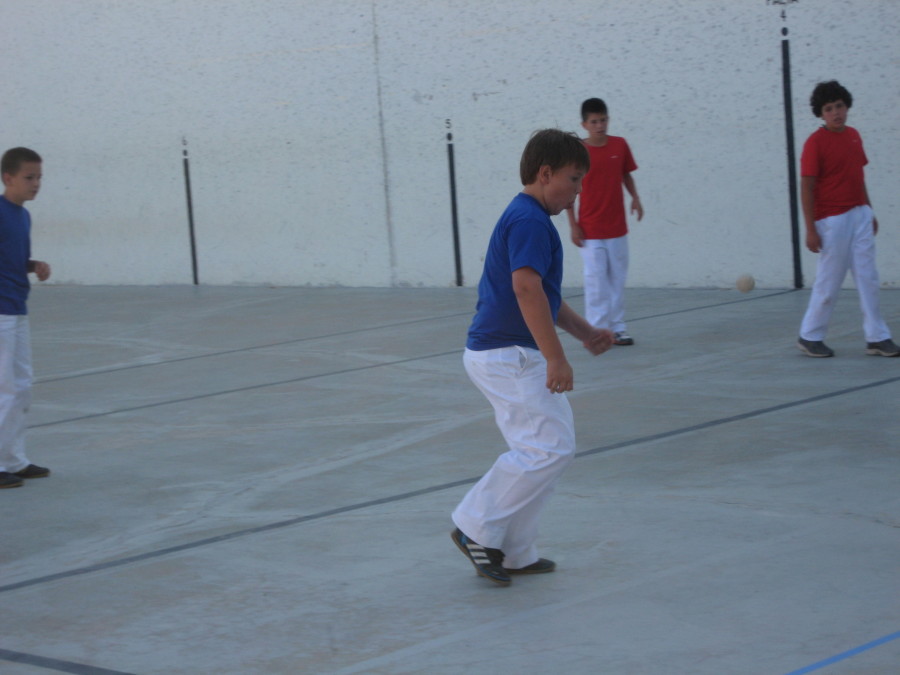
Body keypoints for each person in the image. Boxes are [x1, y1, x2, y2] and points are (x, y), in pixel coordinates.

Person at [451, 129, 615, 586]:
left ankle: (515, 550)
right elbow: (525, 289)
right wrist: (557, 358)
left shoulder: (530, 217)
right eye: (574, 178)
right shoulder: (528, 221)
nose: (578, 190)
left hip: (508, 353)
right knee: (549, 448)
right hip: (507, 356)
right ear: (546, 174)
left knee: (546, 449)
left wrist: (585, 334)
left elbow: (544, 293)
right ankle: (475, 527)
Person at [796, 81, 898, 358]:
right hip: (831, 220)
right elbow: (806, 186)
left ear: (847, 106)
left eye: (839, 106)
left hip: (859, 215)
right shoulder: (815, 143)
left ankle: (877, 337)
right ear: (821, 114)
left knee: (868, 278)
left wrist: (869, 209)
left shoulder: (854, 135)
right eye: (829, 109)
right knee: (829, 281)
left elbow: (857, 176)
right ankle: (810, 335)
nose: (836, 113)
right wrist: (810, 230)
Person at [566, 97, 643, 346]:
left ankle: (618, 328)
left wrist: (635, 198)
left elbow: (625, 174)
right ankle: (598, 332)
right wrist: (573, 224)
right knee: (596, 281)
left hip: (617, 229)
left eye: (603, 120)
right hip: (590, 230)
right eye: (594, 121)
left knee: (617, 280)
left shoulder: (620, 145)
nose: (600, 125)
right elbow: (569, 188)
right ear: (584, 124)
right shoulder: (578, 151)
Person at [0, 147, 52, 489]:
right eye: (28, 177)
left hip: (18, 308)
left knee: (22, 387)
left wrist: (33, 265)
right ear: (8, 178)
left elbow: (14, 258)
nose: (36, 184)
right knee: (3, 389)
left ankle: (13, 460)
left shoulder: (23, 216)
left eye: (39, 178)